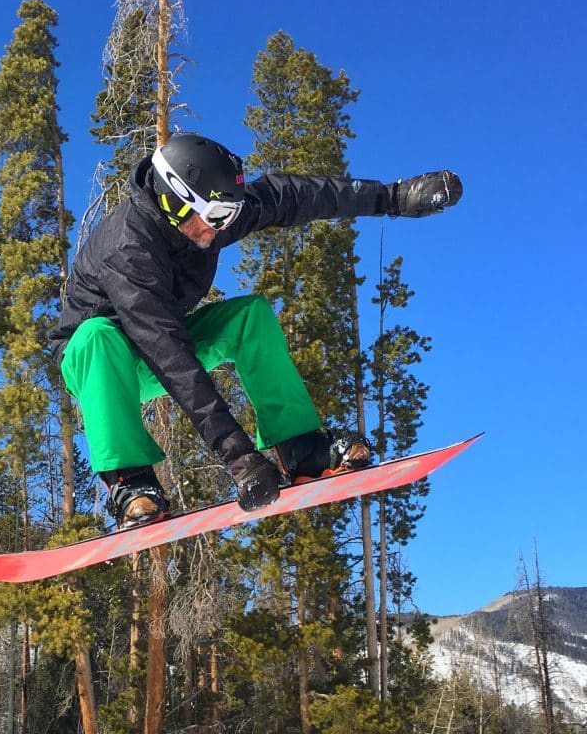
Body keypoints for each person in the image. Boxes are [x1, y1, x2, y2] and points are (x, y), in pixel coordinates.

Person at [50, 133, 462, 529]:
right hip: (97, 367)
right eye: (216, 217)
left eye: (230, 215)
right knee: (98, 336)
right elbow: (169, 356)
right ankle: (130, 481)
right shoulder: (127, 250)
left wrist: (391, 197)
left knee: (250, 316)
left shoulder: (208, 217)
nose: (222, 227)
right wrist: (240, 458)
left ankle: (300, 446)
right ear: (175, 201)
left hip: (159, 342)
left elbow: (294, 195)